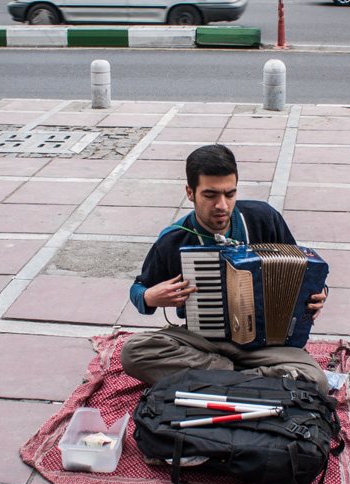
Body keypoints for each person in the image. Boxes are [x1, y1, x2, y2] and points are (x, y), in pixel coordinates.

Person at [120, 144, 330, 393]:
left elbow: (301, 270)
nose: (222, 205)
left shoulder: (264, 218)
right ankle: (251, 380)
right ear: (190, 192)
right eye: (210, 195)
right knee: (133, 352)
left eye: (230, 194)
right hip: (203, 343)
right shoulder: (174, 239)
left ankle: (218, 379)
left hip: (267, 345)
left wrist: (319, 293)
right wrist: (150, 297)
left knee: (317, 380)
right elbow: (138, 288)